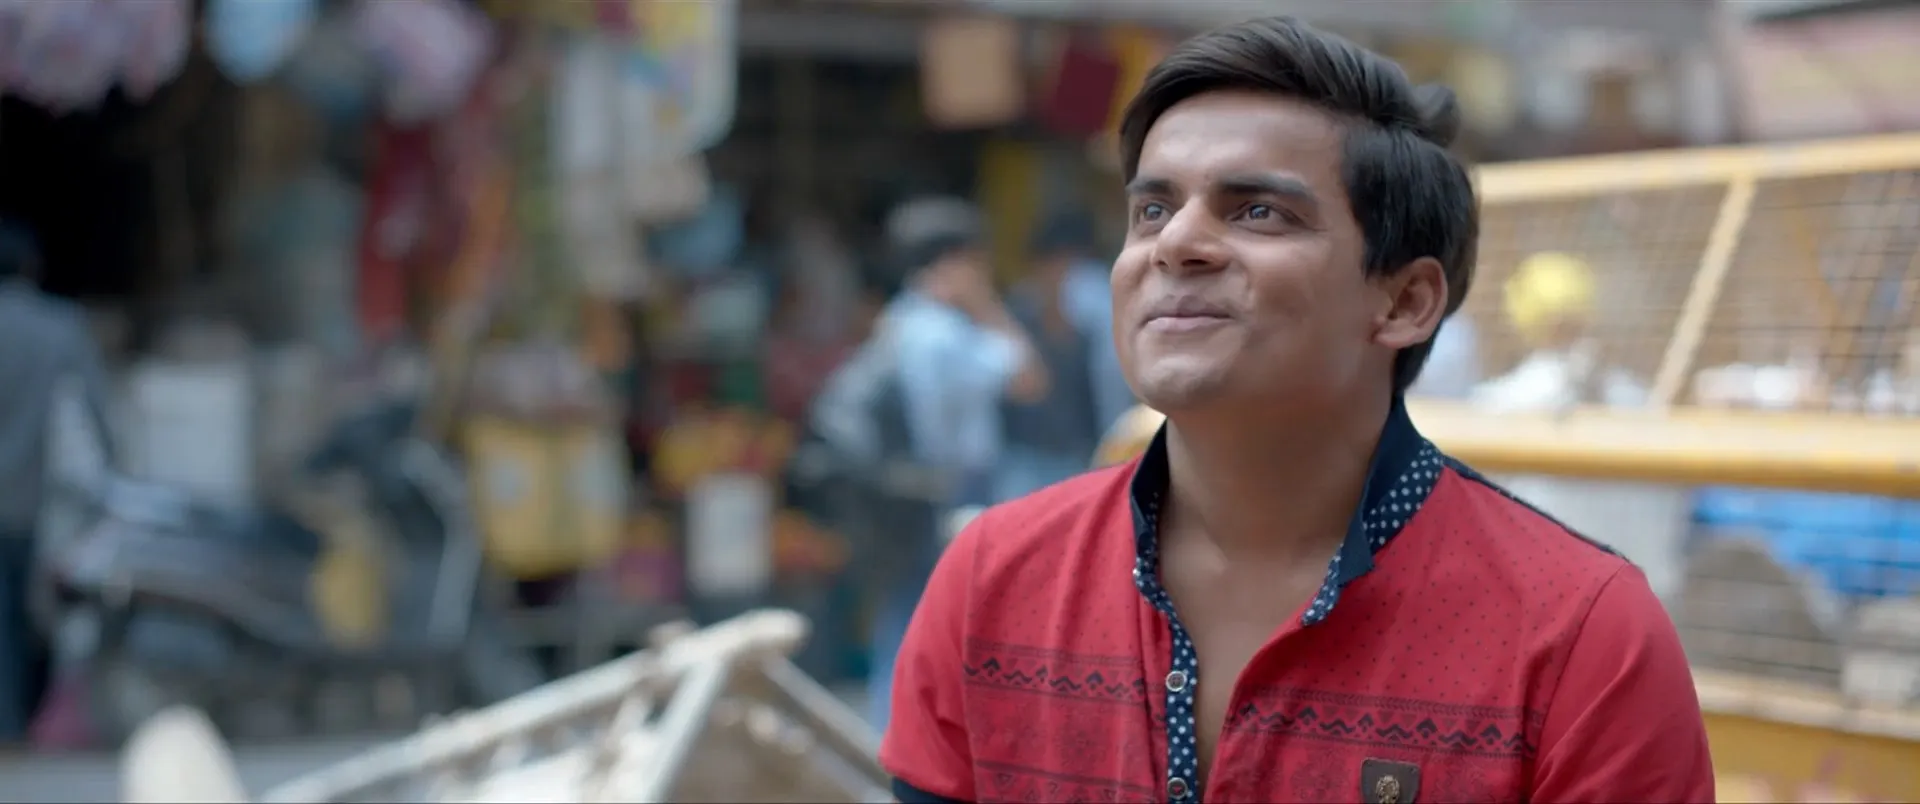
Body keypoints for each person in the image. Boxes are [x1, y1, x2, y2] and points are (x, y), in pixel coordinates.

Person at [879, 17, 1714, 804]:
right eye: (1152, 210)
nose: (1175, 244)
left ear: (1404, 301)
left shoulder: (1581, 638)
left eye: (1258, 211)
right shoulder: (992, 580)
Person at [809, 196, 1045, 732]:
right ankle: (910, 735)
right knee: (942, 615)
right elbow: (1029, 379)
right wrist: (985, 305)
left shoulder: (899, 320)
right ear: (957, 261)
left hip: (905, 490)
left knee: (906, 609)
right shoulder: (945, 332)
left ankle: (892, 731)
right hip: (949, 490)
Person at [0, 221, 114, 743]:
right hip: (30, 498)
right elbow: (95, 406)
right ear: (31, 268)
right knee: (36, 614)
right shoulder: (57, 326)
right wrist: (115, 470)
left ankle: (8, 725)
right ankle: (25, 720)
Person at [993, 211, 1134, 502]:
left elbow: (1111, 386)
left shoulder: (1097, 311)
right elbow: (1026, 382)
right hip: (1025, 458)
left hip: (1081, 454)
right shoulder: (1016, 312)